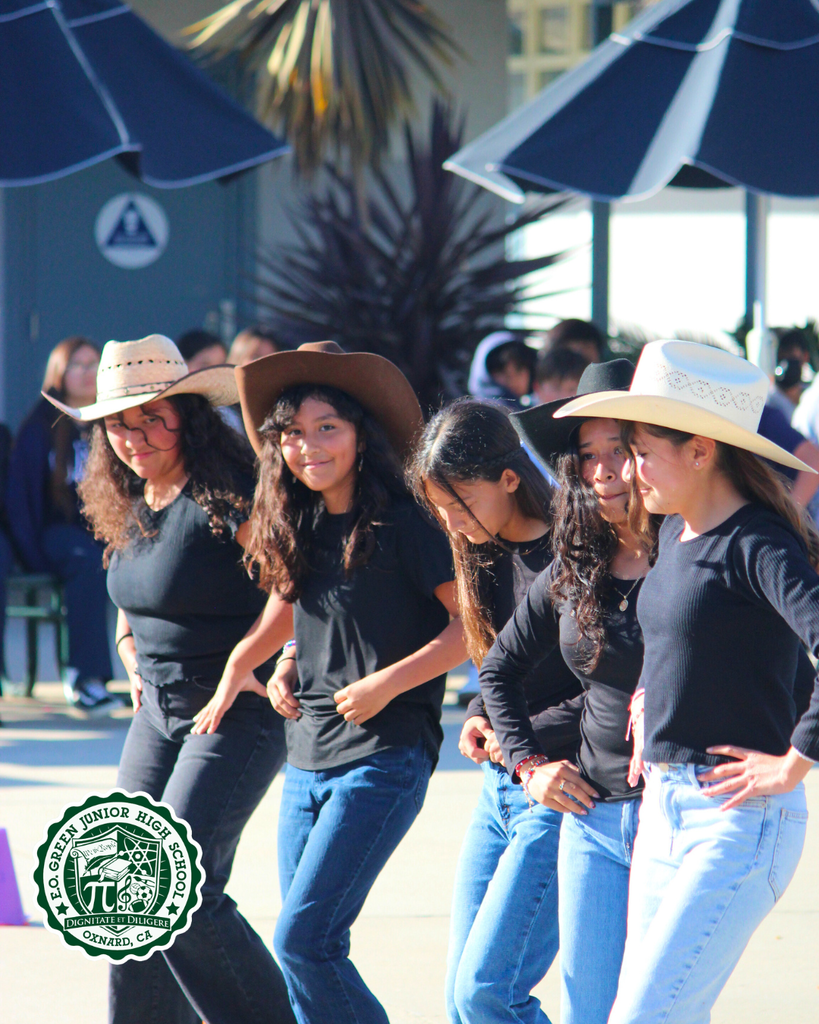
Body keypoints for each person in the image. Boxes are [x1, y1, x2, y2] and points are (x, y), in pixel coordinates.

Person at [192, 341, 466, 1024]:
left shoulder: (406, 521)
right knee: (309, 948)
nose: (306, 448)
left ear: (360, 435)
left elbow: (472, 628)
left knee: (304, 941)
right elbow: (291, 605)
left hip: (384, 757)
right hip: (305, 756)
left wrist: (385, 686)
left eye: (326, 429)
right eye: (290, 434)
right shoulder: (304, 518)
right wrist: (255, 663)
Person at [554, 340, 818, 1024]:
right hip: (662, 812)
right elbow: (682, 637)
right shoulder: (674, 533)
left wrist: (795, 761)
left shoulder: (759, 543)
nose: (628, 470)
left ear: (700, 450)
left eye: (642, 450)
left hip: (735, 820)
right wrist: (653, 699)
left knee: (642, 1017)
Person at [47, 334, 294, 1024]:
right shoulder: (123, 495)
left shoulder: (228, 494)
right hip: (155, 713)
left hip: (232, 713)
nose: (135, 436)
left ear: (187, 413)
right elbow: (129, 592)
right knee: (123, 898)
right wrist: (128, 650)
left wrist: (247, 663)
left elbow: (294, 585)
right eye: (120, 423)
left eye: (153, 416)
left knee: (181, 887)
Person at [478, 359, 651, 1024]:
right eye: (588, 455)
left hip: (684, 814)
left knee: (658, 1007)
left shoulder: (700, 554)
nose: (603, 470)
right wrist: (526, 764)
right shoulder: (574, 563)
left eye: (621, 449)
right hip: (594, 817)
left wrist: (791, 755)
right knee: (590, 1011)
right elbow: (496, 672)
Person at [410, 398, 582, 1024]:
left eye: (461, 503)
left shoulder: (577, 551)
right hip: (501, 787)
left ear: (511, 478)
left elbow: (607, 685)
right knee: (463, 1000)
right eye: (439, 508)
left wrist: (517, 739)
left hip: (560, 793)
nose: (451, 522)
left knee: (486, 994)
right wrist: (483, 710)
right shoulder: (478, 548)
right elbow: (505, 664)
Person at [7, 336, 119, 712]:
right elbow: (20, 499)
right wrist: (32, 555)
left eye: (95, 365)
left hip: (108, 531)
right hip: (57, 533)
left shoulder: (114, 419)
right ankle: (85, 679)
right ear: (60, 371)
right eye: (79, 365)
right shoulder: (40, 425)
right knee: (88, 561)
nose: (88, 374)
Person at [468, 331, 536, 407]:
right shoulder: (479, 415)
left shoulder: (533, 411)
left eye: (518, 369)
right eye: (501, 371)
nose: (513, 379)